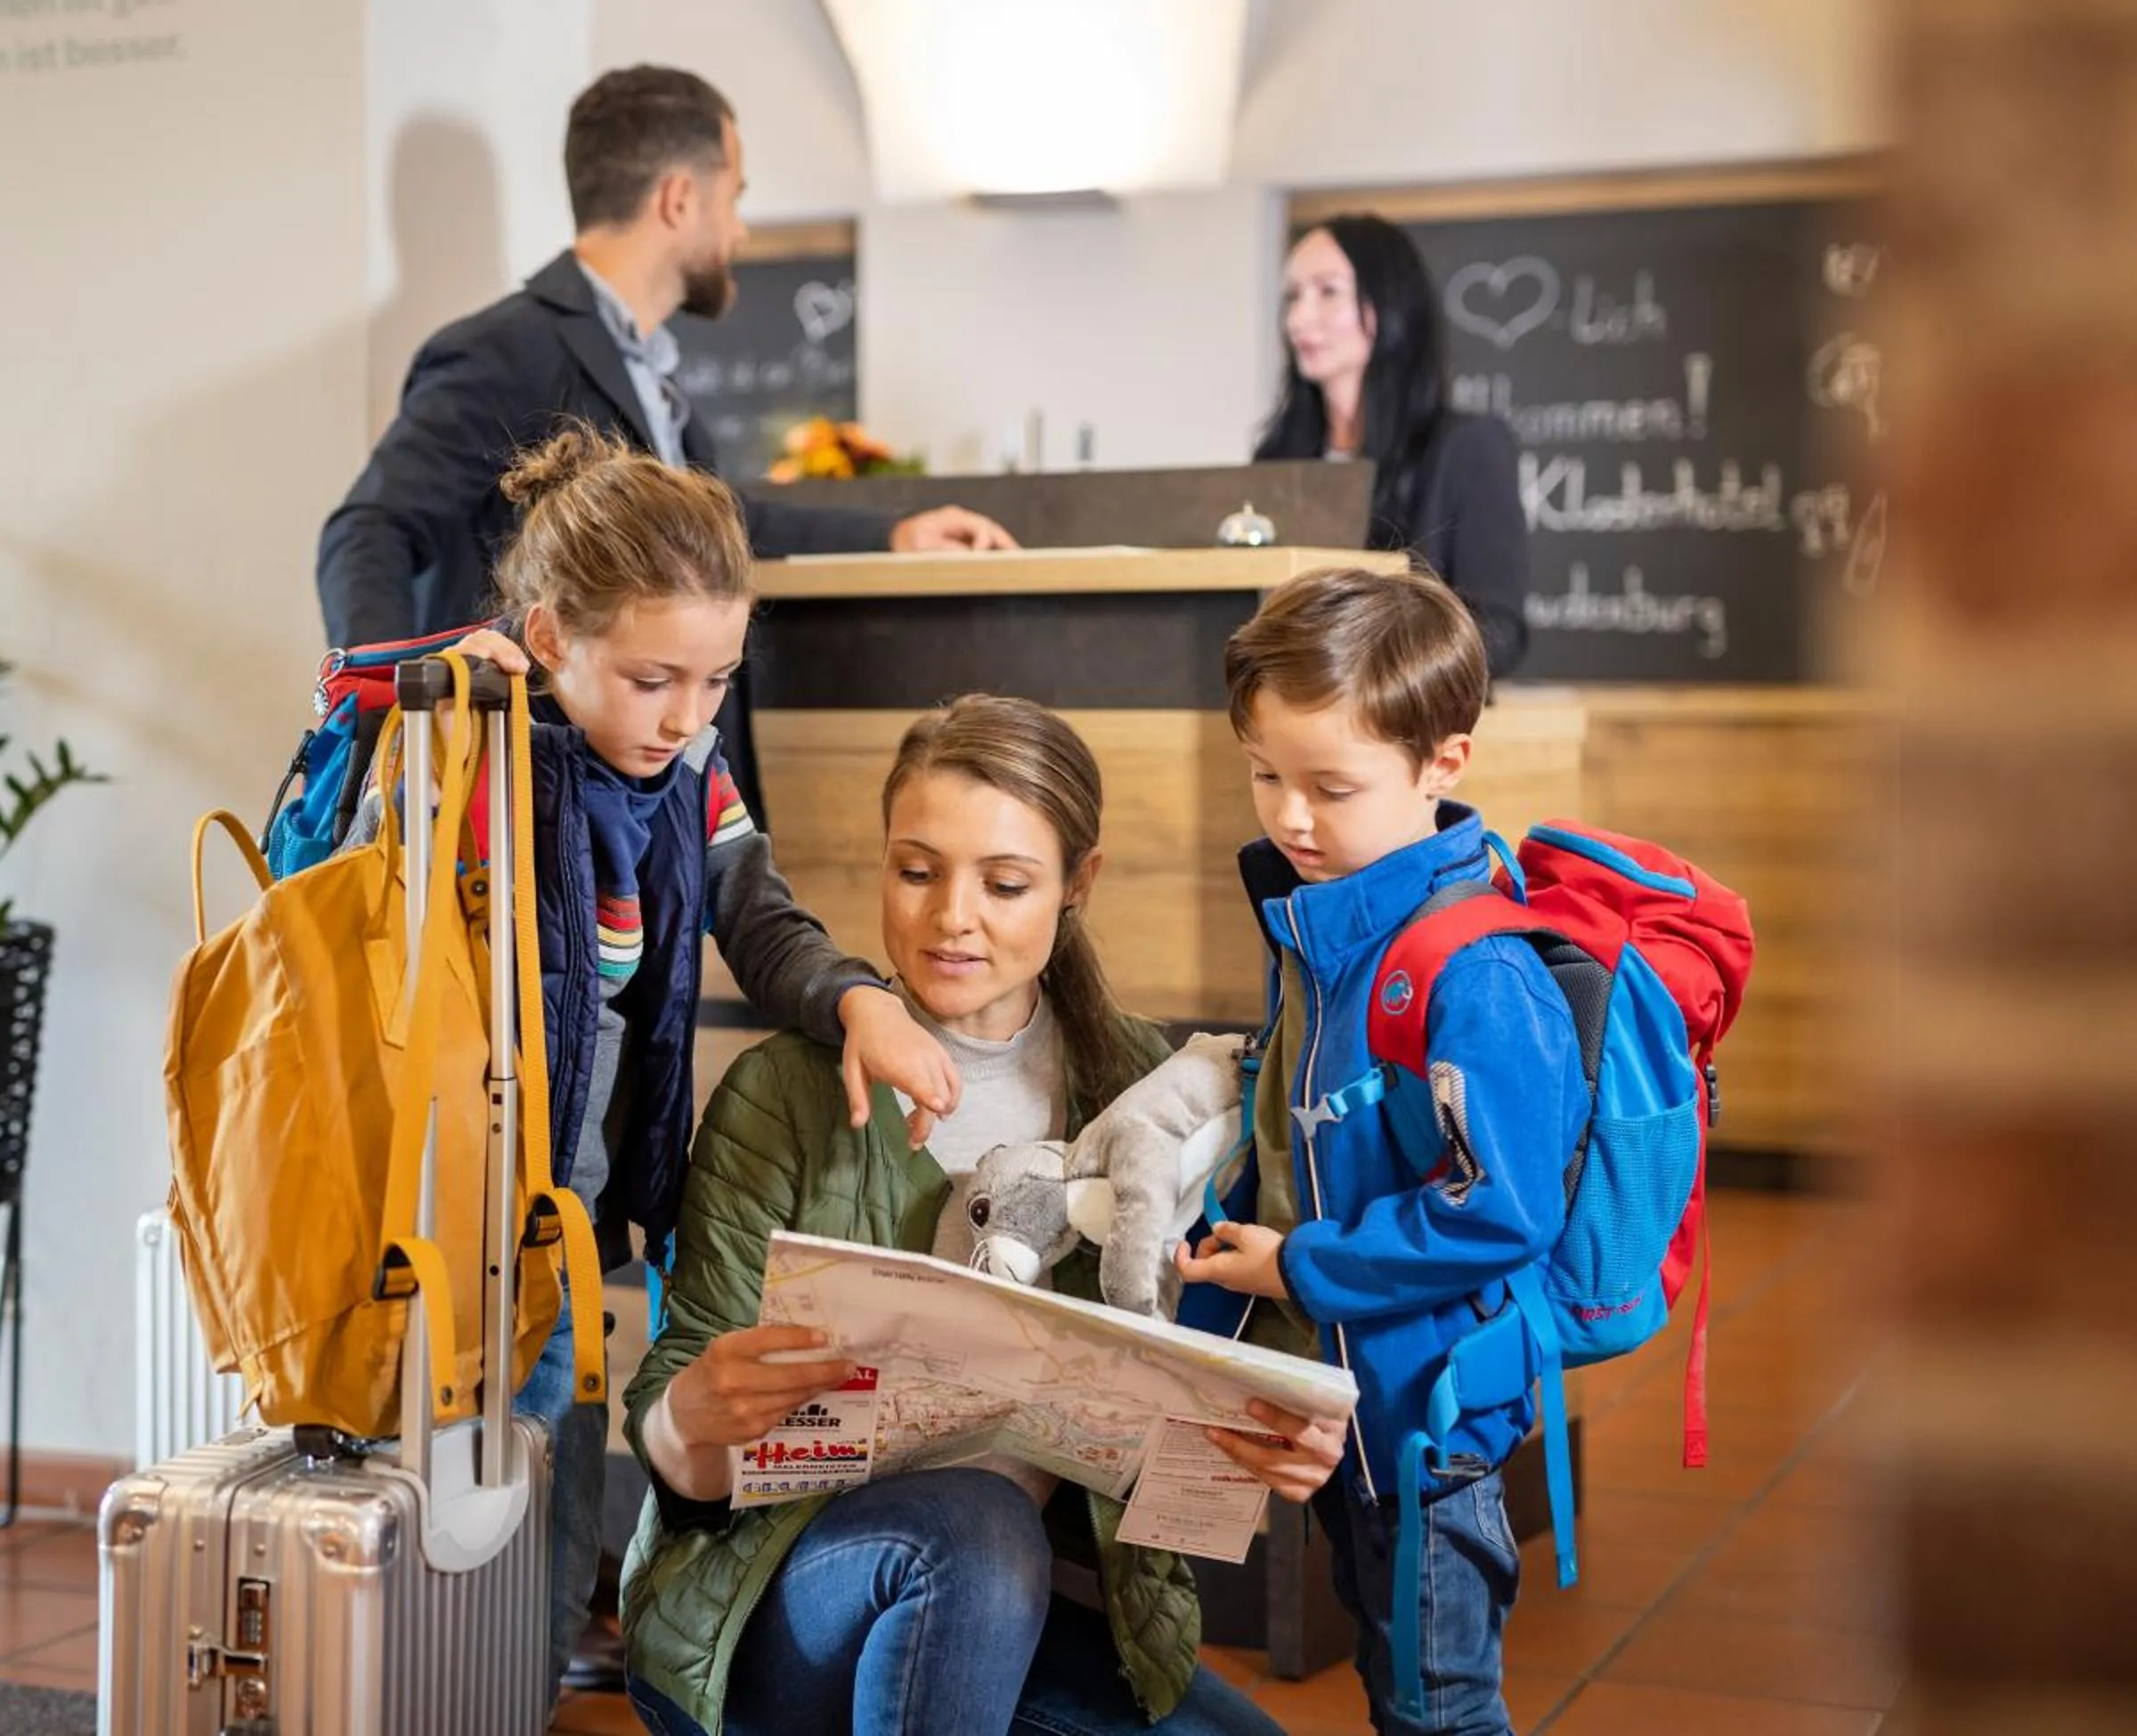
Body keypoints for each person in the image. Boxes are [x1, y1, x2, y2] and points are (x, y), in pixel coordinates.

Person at [618, 694, 1348, 1736]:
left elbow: (1220, 1377)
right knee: (978, 1524)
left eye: (1006, 884)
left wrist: (1278, 1445)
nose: (952, 915)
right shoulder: (784, 1092)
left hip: (1020, 1608)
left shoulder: (1147, 1087)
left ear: (1077, 885)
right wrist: (691, 1417)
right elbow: (679, 1444)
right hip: (770, 1607)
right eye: (916, 871)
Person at [374, 427, 963, 1697]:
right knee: (451, 1469)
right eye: (655, 679)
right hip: (451, 1204)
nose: (689, 715)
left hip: (572, 1210)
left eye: (715, 679)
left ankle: (523, 1666)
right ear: (547, 639)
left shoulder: (689, 767)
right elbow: (370, 904)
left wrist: (854, 997)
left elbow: (756, 910)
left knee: (559, 1444)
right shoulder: (477, 752)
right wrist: (437, 717)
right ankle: (453, 1681)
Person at [319, 63, 1015, 826]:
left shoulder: (656, 375)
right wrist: (400, 712)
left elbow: (720, 522)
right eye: (736, 197)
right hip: (540, 820)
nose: (740, 230)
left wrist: (892, 533)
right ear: (680, 198)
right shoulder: (500, 351)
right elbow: (369, 529)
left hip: (663, 816)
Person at [1174, 566, 1589, 1735]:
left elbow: (1500, 1210)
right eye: (1265, 775)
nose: (1291, 817)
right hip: (1351, 1400)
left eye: (1331, 786)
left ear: (1442, 762)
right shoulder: (1325, 921)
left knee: (1440, 1706)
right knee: (1392, 1675)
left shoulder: (1477, 972)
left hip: (1435, 1424)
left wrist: (1298, 1265)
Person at [1253, 214, 1532, 677]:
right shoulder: (1278, 457)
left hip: (1407, 729)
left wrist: (1375, 678)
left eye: (1327, 291)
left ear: (1389, 304)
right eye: (1292, 297)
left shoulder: (1465, 447)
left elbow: (1498, 629)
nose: (1299, 319)